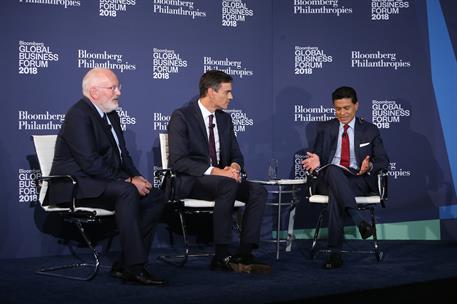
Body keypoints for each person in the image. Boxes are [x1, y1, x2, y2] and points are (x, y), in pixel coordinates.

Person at [48, 68, 167, 286]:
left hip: (97, 181)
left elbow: (123, 156)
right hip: (74, 186)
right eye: (113, 88)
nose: (119, 92)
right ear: (94, 92)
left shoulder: (110, 113)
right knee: (127, 191)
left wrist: (137, 176)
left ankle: (124, 263)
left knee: (155, 196)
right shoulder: (78, 114)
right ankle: (135, 267)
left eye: (118, 87)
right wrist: (128, 181)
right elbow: (90, 162)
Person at [167, 70, 271, 274]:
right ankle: (221, 254)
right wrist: (217, 172)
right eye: (227, 92)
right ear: (211, 92)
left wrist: (234, 167)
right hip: (191, 181)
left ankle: (245, 251)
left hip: (223, 181)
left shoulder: (224, 120)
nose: (231, 97)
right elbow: (178, 161)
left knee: (258, 191)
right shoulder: (182, 116)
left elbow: (237, 155)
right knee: (227, 184)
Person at [302, 86, 389, 269]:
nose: (341, 113)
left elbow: (383, 161)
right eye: (337, 108)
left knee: (337, 193)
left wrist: (370, 165)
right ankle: (358, 219)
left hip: (357, 179)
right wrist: (316, 160)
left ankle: (335, 253)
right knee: (334, 171)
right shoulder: (325, 128)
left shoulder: (370, 130)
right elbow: (316, 159)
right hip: (328, 177)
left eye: (346, 108)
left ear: (356, 106)